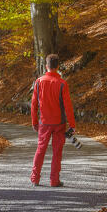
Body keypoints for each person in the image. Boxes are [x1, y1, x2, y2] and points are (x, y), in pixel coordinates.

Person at [30, 53, 76, 187]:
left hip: (44, 122)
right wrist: (72, 125)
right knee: (57, 152)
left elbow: (33, 105)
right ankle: (54, 180)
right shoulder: (62, 84)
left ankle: (35, 178)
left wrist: (34, 121)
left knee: (40, 149)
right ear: (58, 67)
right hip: (59, 123)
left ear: (46, 66)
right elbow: (68, 106)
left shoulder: (39, 82)